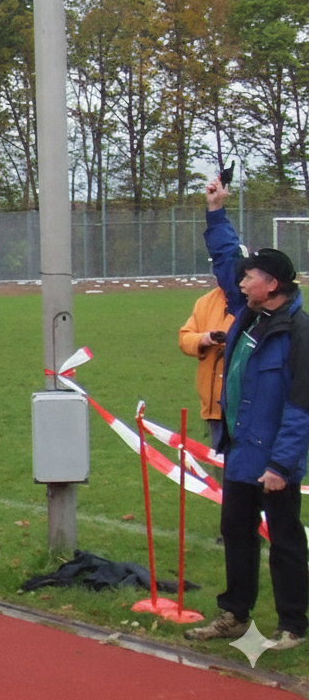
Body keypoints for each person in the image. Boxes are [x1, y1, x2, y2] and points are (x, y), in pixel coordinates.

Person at [185, 177, 309, 650]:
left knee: (285, 542)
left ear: (271, 285)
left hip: (275, 460)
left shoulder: (299, 334)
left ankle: (293, 625)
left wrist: (281, 465)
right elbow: (226, 261)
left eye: (250, 278)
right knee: (236, 534)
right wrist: (216, 212)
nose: (240, 282)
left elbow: (301, 407)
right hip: (240, 453)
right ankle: (235, 614)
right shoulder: (248, 313)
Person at [179, 286, 234, 446]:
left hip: (244, 409)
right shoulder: (205, 302)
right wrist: (204, 339)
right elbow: (185, 338)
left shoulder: (255, 302)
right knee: (218, 465)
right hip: (213, 407)